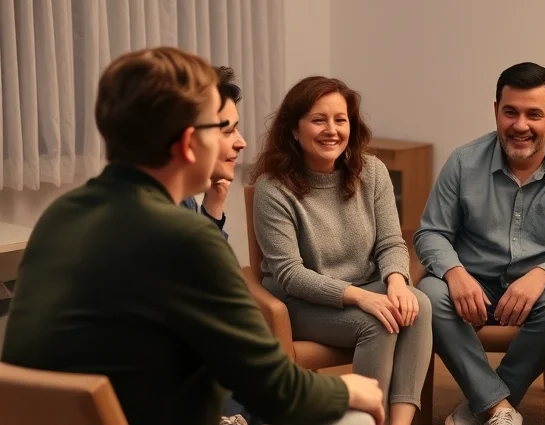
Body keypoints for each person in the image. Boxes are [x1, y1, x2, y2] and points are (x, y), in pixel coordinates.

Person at [1, 46, 383, 425]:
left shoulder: (61, 215)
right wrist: (354, 390)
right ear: (188, 143)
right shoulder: (183, 236)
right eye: (226, 129)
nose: (240, 142)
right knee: (356, 416)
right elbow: (278, 391)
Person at [414, 62, 545, 425]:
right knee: (429, 296)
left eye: (534, 114)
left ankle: (482, 407)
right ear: (496, 111)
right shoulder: (463, 161)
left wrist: (542, 275)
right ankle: (499, 409)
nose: (520, 125)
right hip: (470, 289)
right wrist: (454, 273)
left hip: (537, 294)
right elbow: (430, 233)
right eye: (510, 112)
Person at [250, 76, 432, 425]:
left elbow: (391, 243)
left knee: (418, 304)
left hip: (365, 289)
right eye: (318, 120)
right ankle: (365, 420)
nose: (331, 130)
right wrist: (362, 298)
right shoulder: (272, 188)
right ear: (294, 130)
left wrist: (396, 281)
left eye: (340, 119)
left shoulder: (373, 171)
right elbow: (290, 274)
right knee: (380, 323)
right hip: (300, 302)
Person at [180, 66, 246, 240]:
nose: (241, 143)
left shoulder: (183, 198)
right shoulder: (158, 214)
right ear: (189, 138)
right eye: (228, 131)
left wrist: (215, 202)